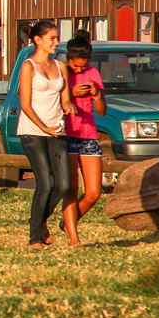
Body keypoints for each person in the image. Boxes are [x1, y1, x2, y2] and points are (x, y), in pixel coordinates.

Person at [18, 19, 72, 250]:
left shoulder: (60, 67)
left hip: (57, 130)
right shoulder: (28, 66)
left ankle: (38, 221)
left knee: (62, 184)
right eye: (52, 38)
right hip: (33, 131)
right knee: (45, 183)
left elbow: (65, 98)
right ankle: (35, 238)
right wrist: (45, 128)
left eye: (57, 37)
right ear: (37, 40)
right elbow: (26, 105)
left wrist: (69, 106)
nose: (56, 42)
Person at [61, 30, 106, 247]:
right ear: (68, 59)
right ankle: (73, 238)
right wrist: (71, 93)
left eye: (83, 66)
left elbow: (103, 110)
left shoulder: (93, 73)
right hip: (67, 134)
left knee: (94, 192)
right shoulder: (61, 73)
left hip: (89, 135)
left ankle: (67, 223)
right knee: (71, 187)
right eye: (76, 66)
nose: (79, 69)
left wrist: (96, 95)